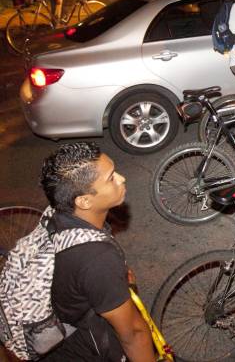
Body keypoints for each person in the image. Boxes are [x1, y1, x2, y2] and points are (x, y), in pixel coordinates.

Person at [41, 142, 155, 361]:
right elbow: (133, 334)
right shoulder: (97, 259)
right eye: (111, 178)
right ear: (84, 201)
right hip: (85, 350)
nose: (122, 178)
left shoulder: (57, 216)